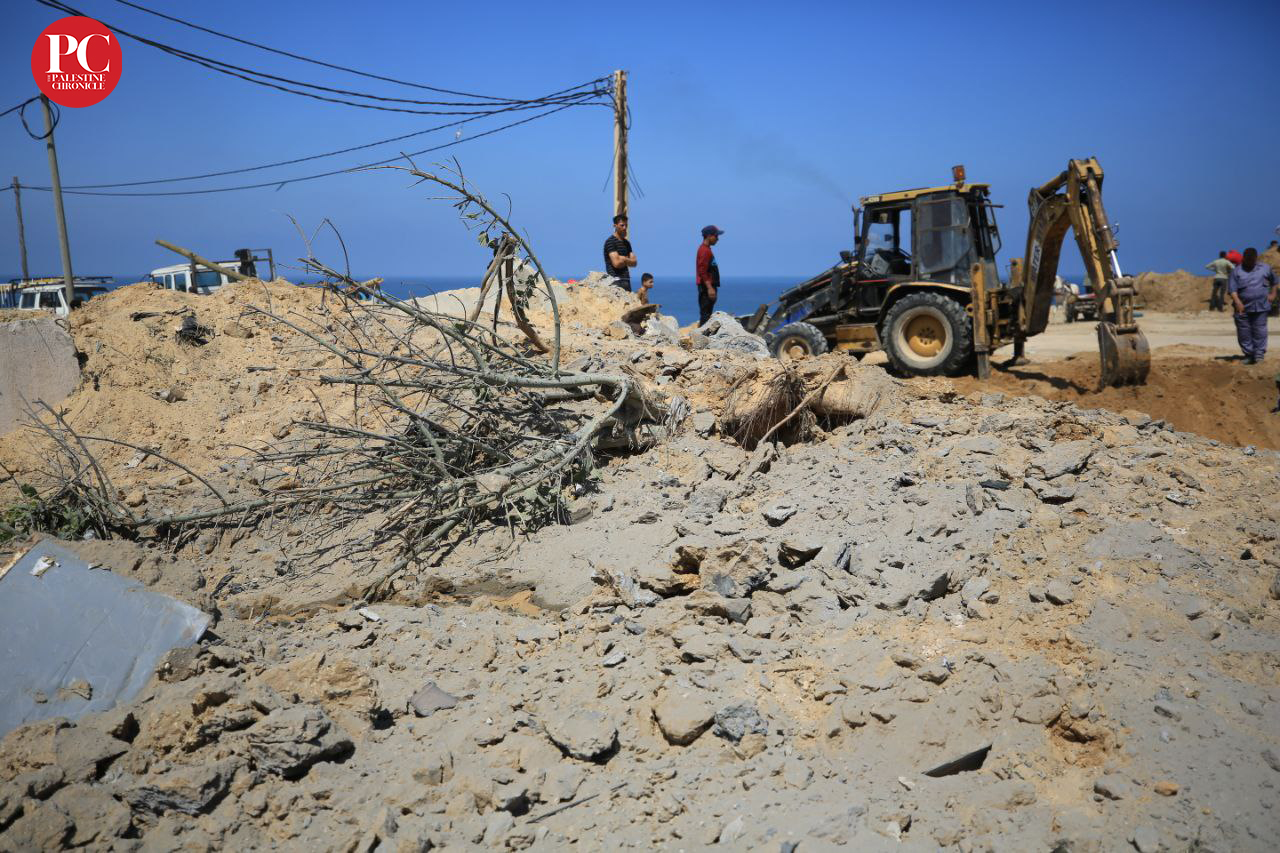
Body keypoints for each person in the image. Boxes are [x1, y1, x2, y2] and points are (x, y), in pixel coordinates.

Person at [1227, 247, 1278, 364]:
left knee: (1260, 331)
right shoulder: (1236, 271)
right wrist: (1238, 302)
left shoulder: (1265, 268)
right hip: (1242, 308)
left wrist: (1273, 294)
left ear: (1256, 258)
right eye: (1247, 260)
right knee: (1243, 332)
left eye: (1252, 260)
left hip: (1261, 306)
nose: (1250, 263)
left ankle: (1259, 355)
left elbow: (1275, 281)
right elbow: (1232, 289)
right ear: (1243, 258)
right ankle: (1249, 355)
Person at [695, 225, 724, 326]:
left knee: (707, 313)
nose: (717, 239)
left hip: (708, 286)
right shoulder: (704, 251)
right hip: (706, 287)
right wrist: (710, 288)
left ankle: (703, 332)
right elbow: (702, 271)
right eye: (716, 236)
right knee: (706, 315)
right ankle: (702, 333)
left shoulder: (707, 249)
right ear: (709, 236)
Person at [603, 214, 636, 291]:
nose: (625, 228)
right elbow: (617, 264)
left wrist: (623, 258)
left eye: (626, 225)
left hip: (626, 280)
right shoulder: (610, 242)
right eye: (622, 225)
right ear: (615, 226)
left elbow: (634, 263)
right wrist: (628, 260)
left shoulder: (627, 243)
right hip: (615, 281)